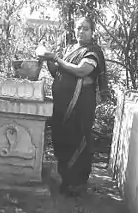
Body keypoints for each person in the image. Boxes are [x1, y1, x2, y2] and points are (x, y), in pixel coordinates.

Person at [38, 16, 110, 197]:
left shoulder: (93, 51)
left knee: (77, 138)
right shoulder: (72, 49)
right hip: (62, 105)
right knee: (62, 138)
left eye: (85, 28)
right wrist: (48, 58)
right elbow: (58, 72)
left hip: (80, 106)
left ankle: (77, 184)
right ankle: (64, 179)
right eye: (78, 28)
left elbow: (81, 70)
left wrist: (56, 57)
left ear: (92, 32)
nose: (81, 32)